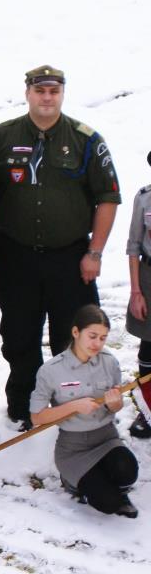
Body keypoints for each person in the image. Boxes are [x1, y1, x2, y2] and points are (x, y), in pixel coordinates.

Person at [0, 65, 121, 427]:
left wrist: (95, 252)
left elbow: (108, 197)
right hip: (16, 254)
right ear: (27, 92)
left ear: (62, 93)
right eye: (40, 91)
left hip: (70, 257)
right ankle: (23, 404)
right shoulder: (3, 137)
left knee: (70, 334)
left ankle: (69, 404)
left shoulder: (85, 139)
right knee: (18, 334)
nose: (47, 98)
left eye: (53, 91)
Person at [31, 306, 139, 518]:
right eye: (92, 336)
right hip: (74, 448)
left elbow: (115, 408)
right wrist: (74, 406)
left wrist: (114, 403)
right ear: (75, 332)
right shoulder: (51, 370)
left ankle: (102, 482)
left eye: (103, 338)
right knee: (108, 503)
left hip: (106, 438)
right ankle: (72, 482)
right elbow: (37, 417)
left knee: (127, 471)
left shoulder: (109, 362)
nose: (97, 344)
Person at [125, 152, 151, 439]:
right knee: (148, 346)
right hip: (148, 277)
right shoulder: (144, 198)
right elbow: (133, 246)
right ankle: (148, 408)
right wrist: (136, 292)